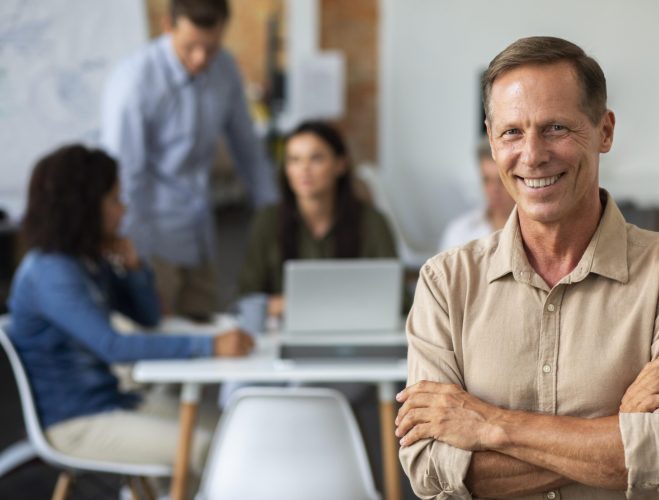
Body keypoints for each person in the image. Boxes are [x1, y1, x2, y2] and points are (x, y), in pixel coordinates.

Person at [395, 36, 659, 498]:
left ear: (605, 131)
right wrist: (621, 431)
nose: (532, 155)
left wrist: (490, 425)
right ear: (491, 141)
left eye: (555, 128)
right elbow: (430, 469)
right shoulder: (444, 283)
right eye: (512, 132)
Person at [6, 145, 253, 477]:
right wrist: (211, 346)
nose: (124, 210)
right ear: (84, 206)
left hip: (114, 402)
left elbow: (147, 318)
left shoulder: (84, 261)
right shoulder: (51, 272)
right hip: (77, 424)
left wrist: (134, 267)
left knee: (237, 429)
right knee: (210, 446)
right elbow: (113, 346)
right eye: (114, 199)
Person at [100, 0, 278, 320]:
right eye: (190, 47)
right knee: (160, 340)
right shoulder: (135, 80)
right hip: (150, 238)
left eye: (210, 47)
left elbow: (249, 151)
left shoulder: (224, 68)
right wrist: (134, 259)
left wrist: (276, 216)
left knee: (208, 337)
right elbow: (126, 176)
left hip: (201, 234)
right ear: (168, 26)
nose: (200, 59)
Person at [238, 120, 397, 317]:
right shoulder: (268, 220)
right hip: (281, 332)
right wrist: (286, 305)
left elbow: (397, 298)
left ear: (340, 165)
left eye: (316, 159)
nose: (304, 169)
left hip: (354, 333)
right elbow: (246, 299)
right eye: (294, 160)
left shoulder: (372, 222)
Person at [439, 138, 516, 251]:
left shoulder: (537, 234)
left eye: (501, 180)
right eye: (486, 180)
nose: (494, 189)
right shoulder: (459, 232)